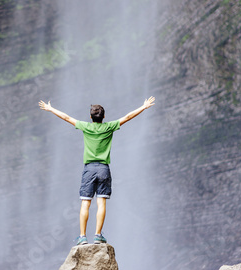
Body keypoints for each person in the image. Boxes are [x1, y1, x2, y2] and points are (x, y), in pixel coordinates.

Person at [38, 97, 155, 245]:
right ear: (104, 117)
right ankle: (98, 235)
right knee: (101, 203)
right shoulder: (109, 127)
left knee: (85, 203)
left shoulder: (86, 126)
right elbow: (127, 117)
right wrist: (143, 106)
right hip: (104, 169)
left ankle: (82, 237)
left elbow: (66, 117)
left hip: (89, 169)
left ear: (91, 117)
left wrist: (50, 109)